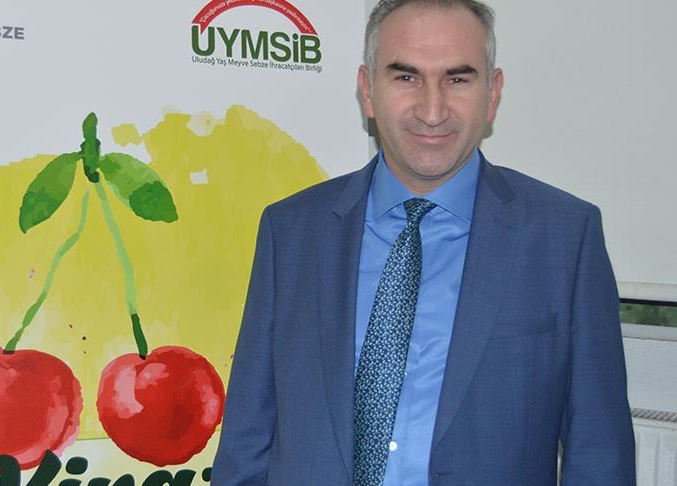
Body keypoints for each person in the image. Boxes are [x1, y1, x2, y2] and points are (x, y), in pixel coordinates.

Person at [211, 0, 636, 484]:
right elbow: (246, 444)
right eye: (406, 77)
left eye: (457, 79)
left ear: (492, 93)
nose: (432, 111)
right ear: (367, 91)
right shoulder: (290, 232)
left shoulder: (566, 238)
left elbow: (600, 455)